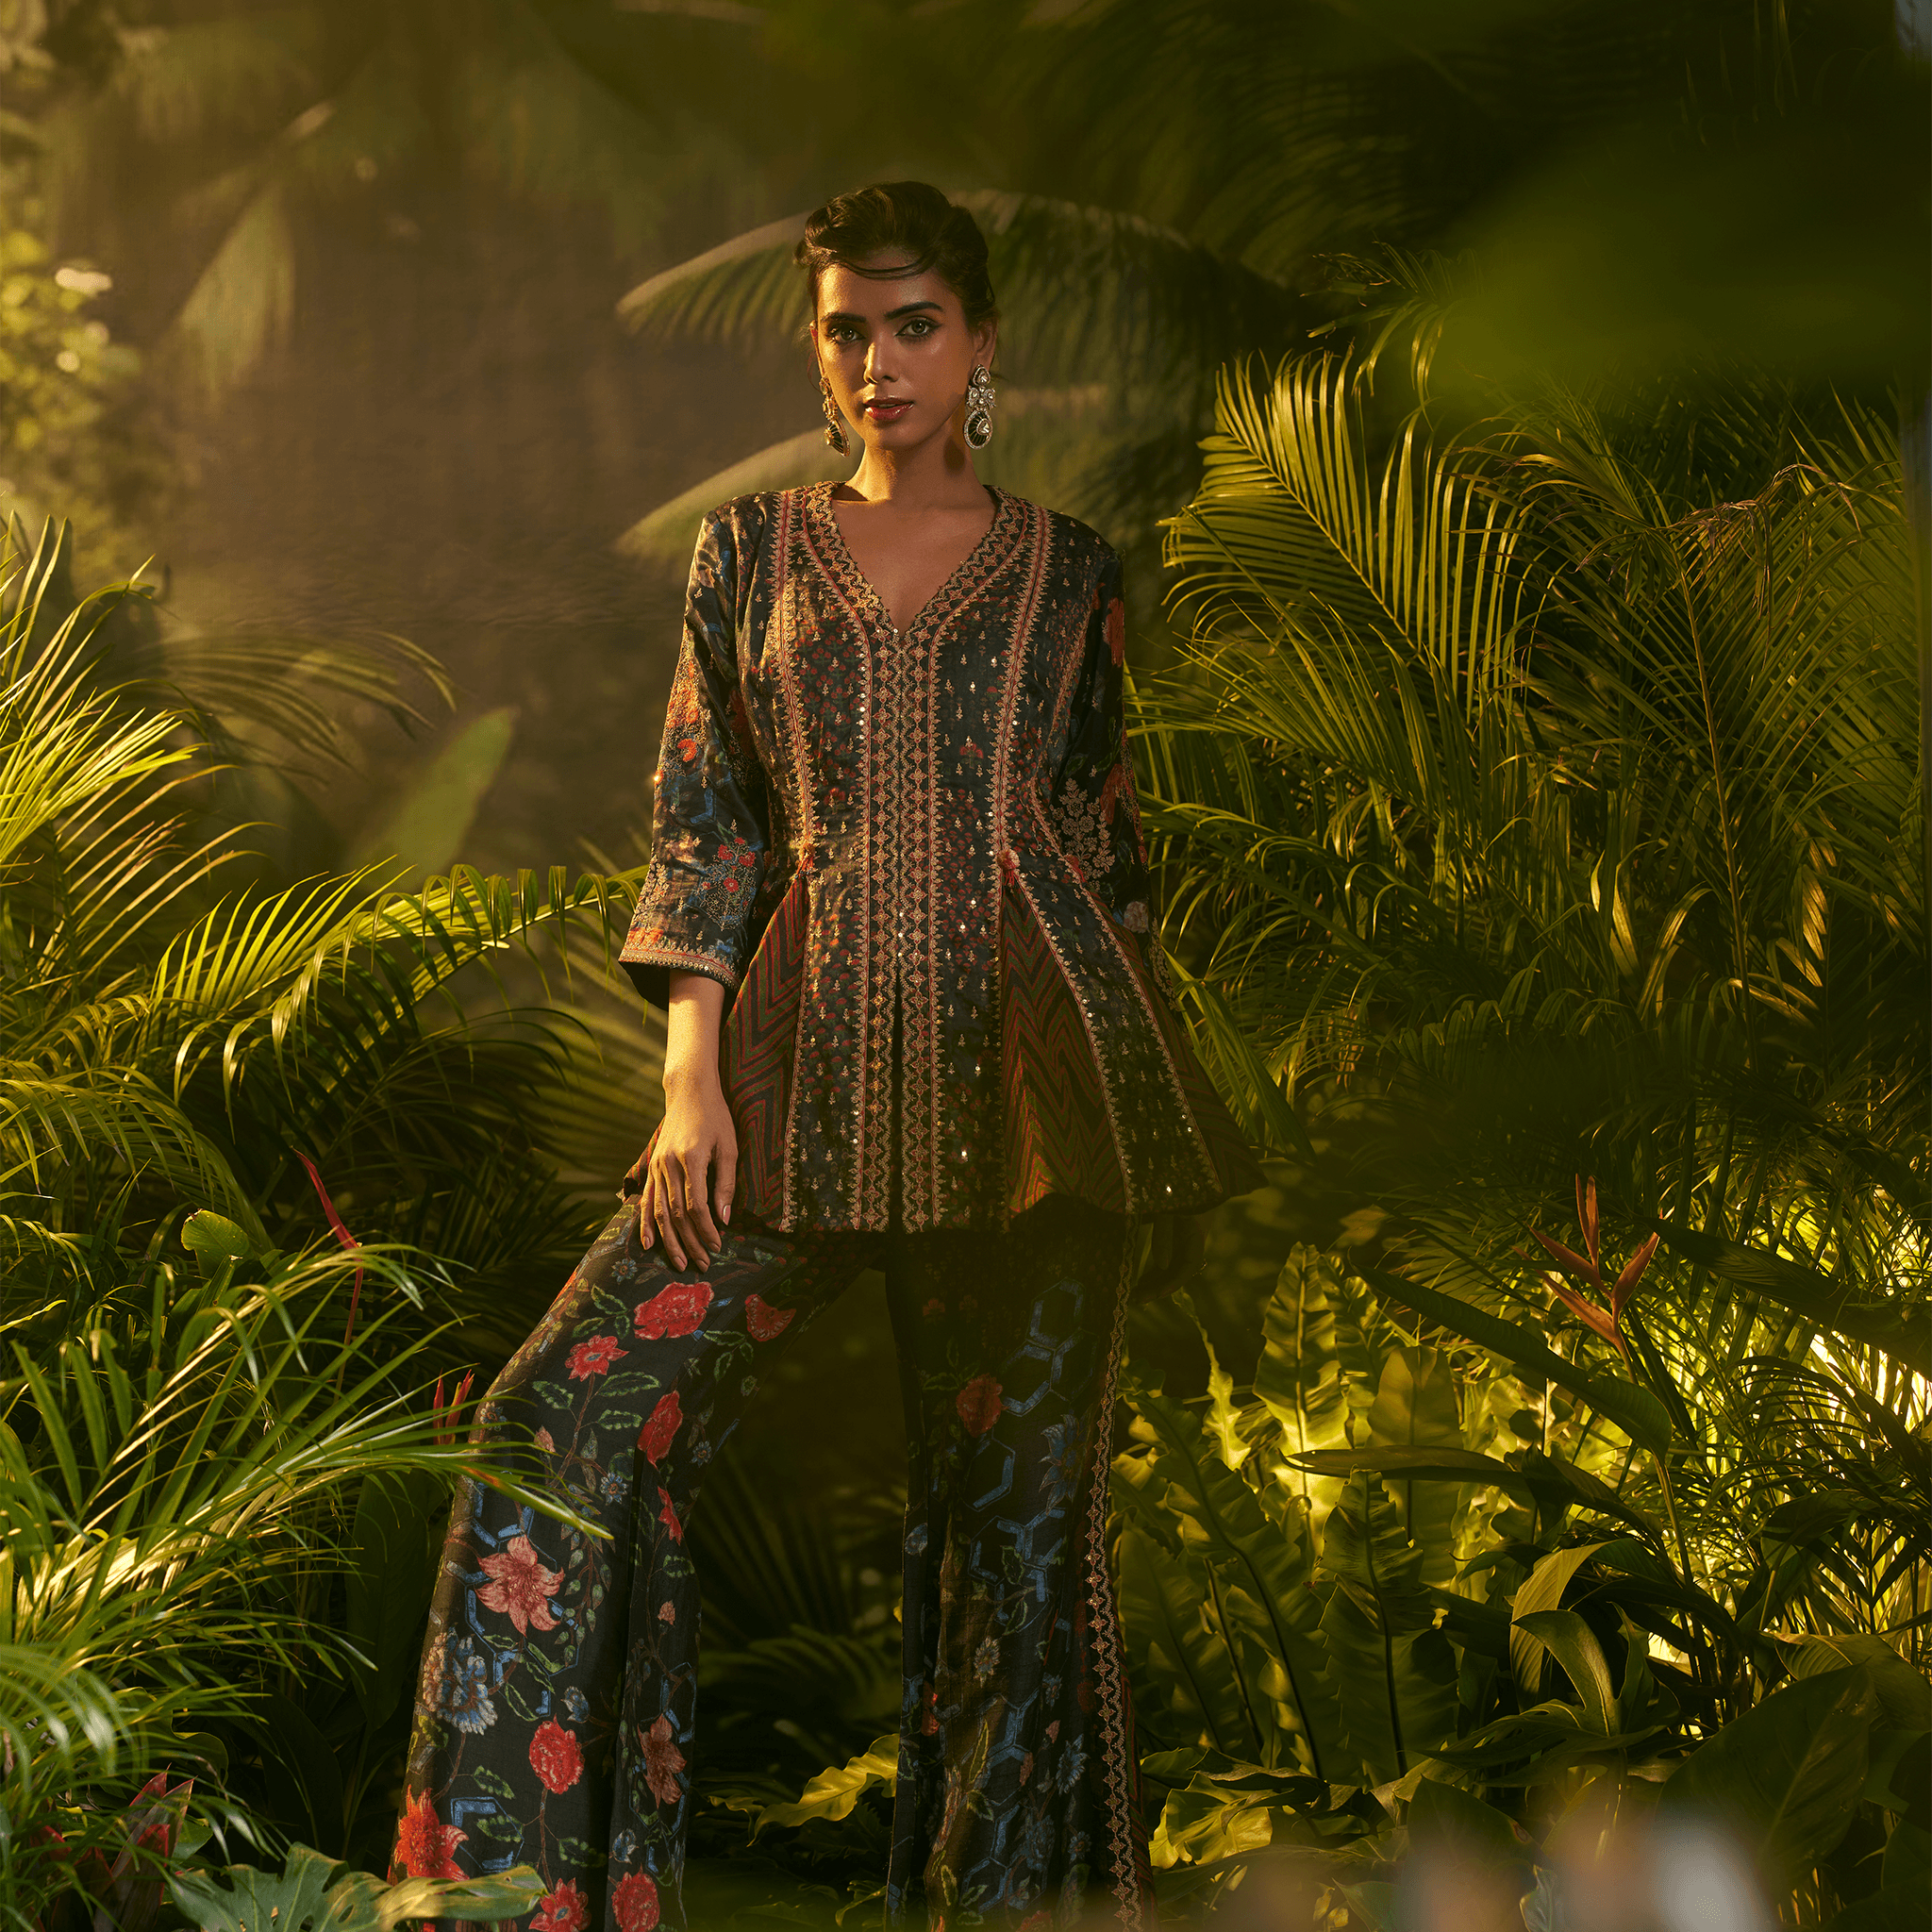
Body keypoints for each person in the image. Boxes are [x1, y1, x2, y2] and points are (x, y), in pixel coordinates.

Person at [395, 181, 1262, 1932]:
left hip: (1026, 1114)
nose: (878, 361)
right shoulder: (750, 557)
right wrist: (687, 1079)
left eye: (915, 323)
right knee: (555, 1425)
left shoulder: (1074, 573)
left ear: (983, 340)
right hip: (787, 1085)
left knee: (1020, 1566)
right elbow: (707, 828)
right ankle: (508, 1912)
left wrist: (1131, 1119)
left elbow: (1111, 855)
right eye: (847, 330)